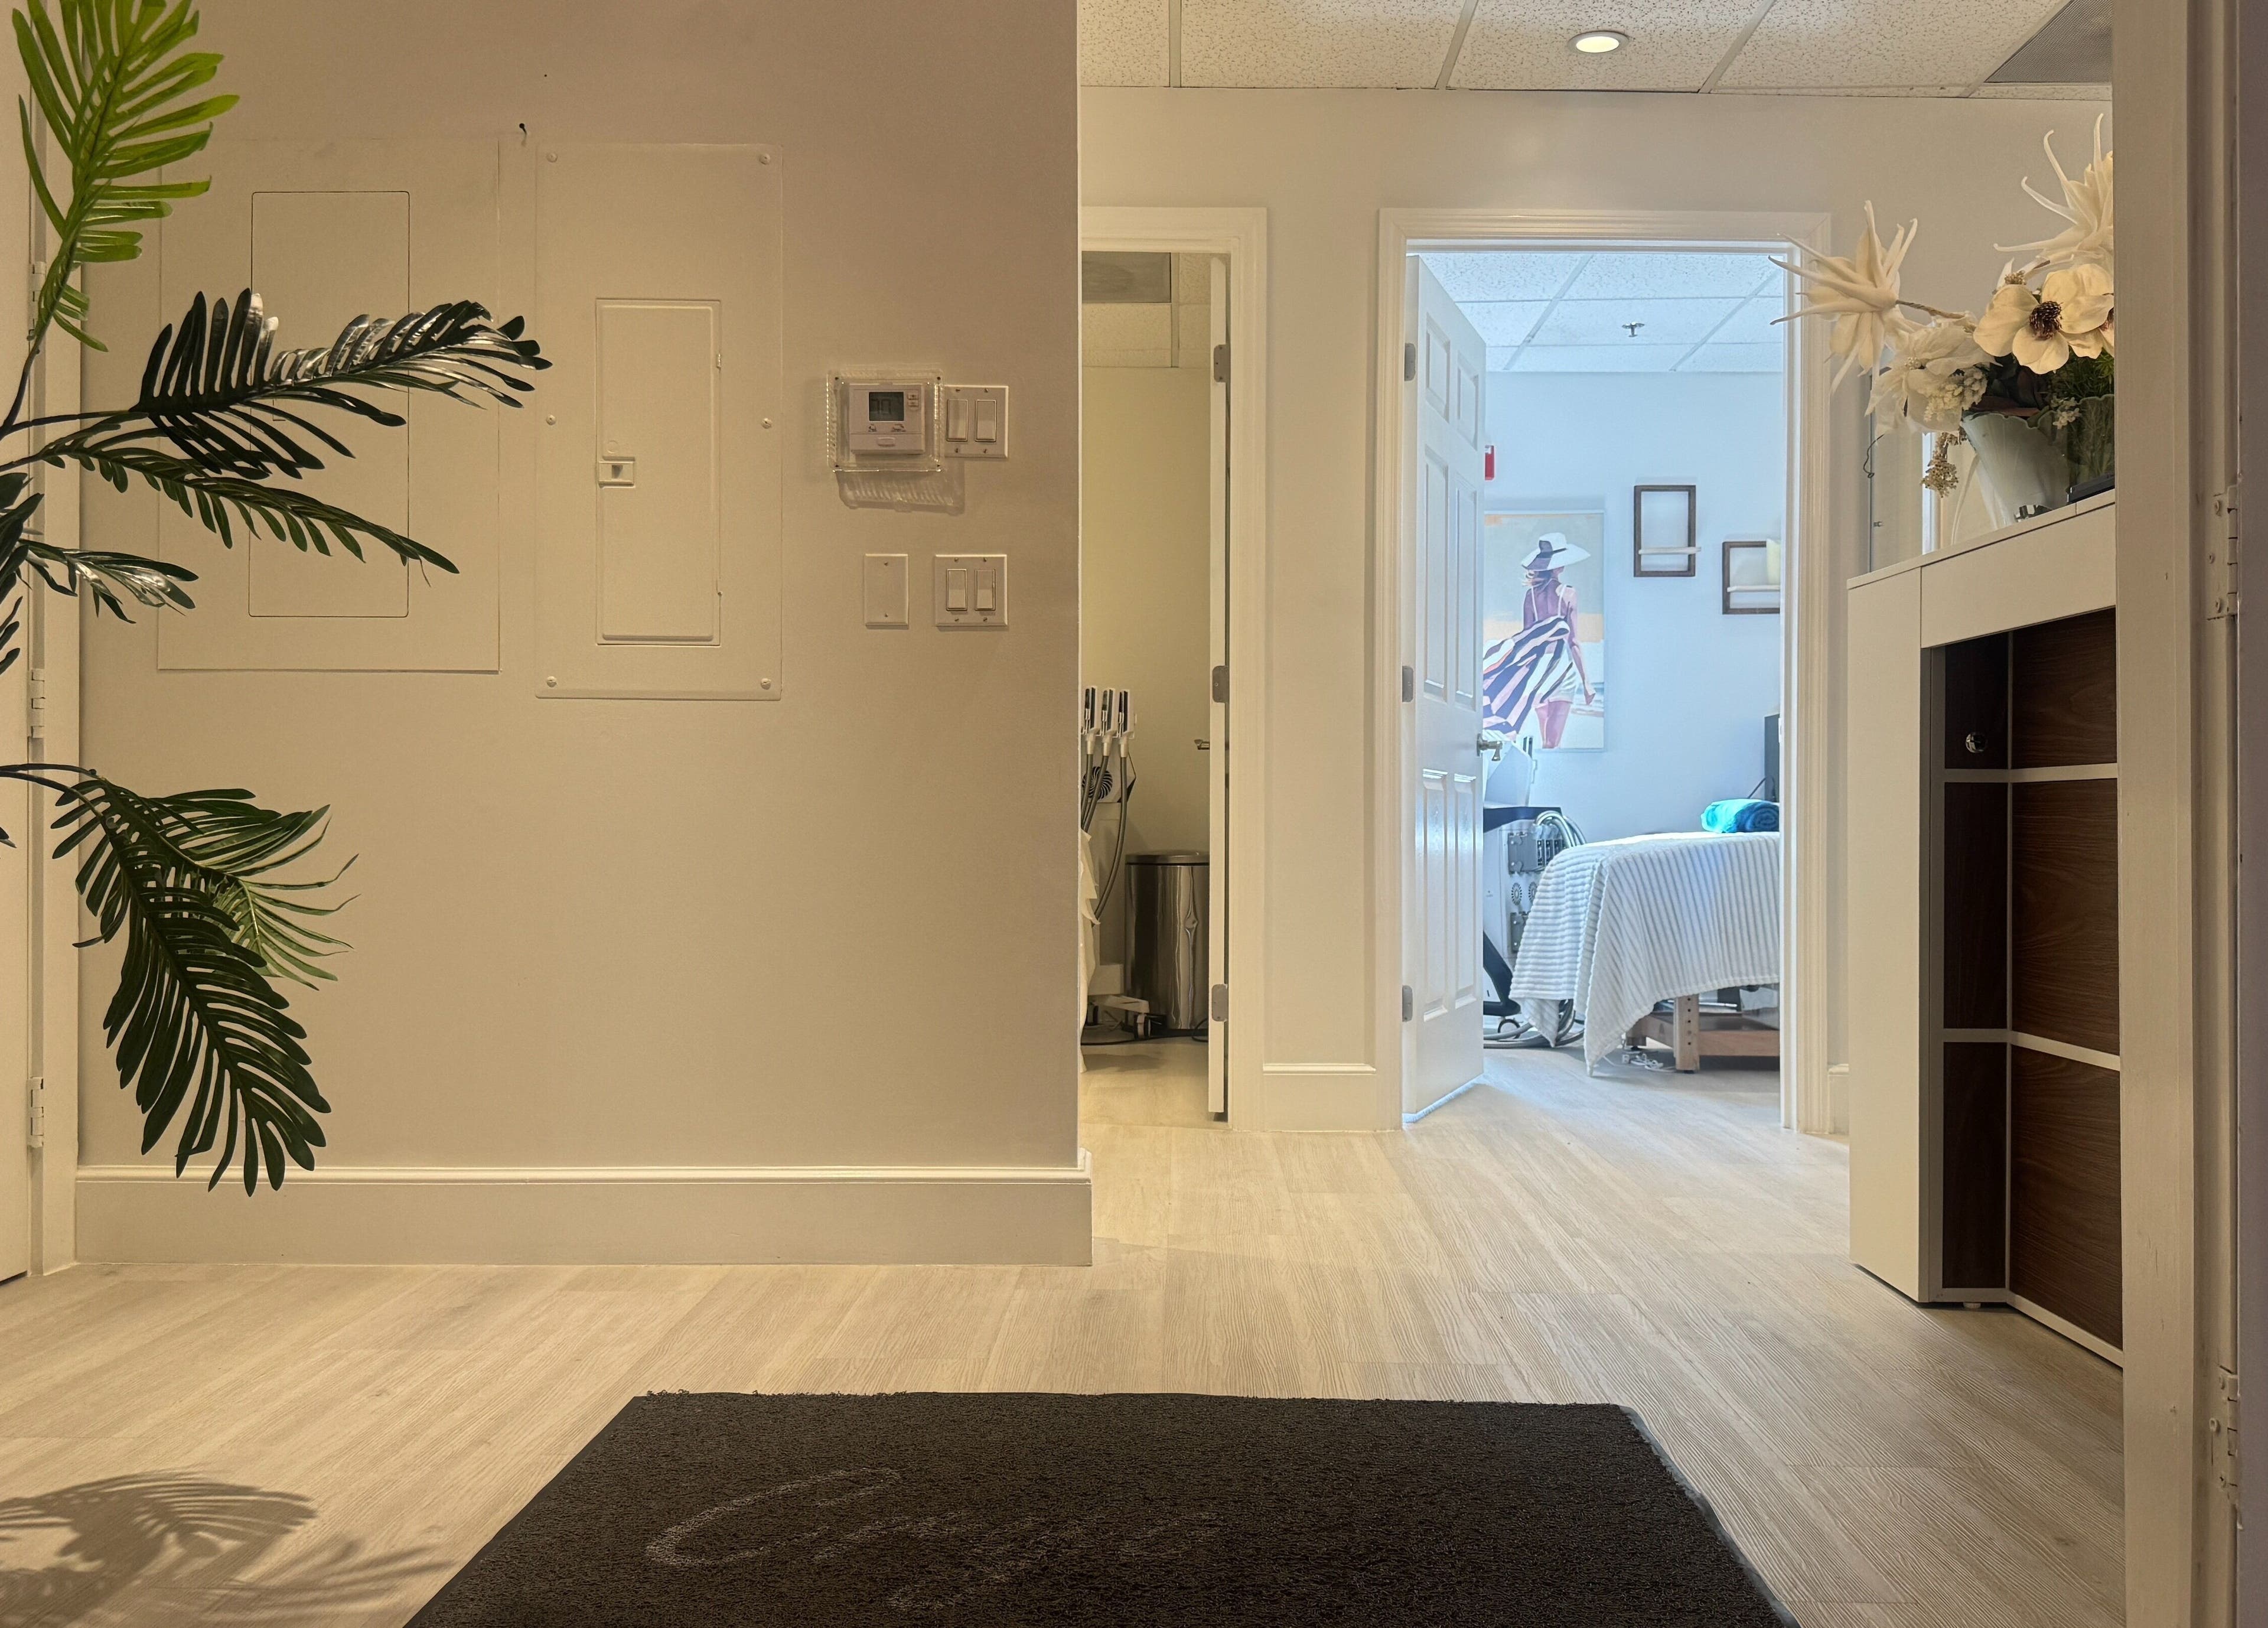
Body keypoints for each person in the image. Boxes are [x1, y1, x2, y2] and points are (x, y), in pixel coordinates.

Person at [1518, 532, 1594, 749]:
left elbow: (1526, 639)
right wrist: (1587, 682)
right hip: (1562, 670)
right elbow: (1574, 642)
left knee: (1547, 741)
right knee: (1553, 742)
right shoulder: (1569, 594)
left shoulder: (1530, 596)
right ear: (1559, 566)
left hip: (1538, 670)